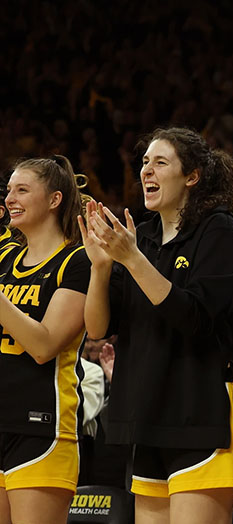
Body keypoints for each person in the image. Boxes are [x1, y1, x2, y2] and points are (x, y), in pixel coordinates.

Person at [80, 127, 233, 523]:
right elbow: (97, 329)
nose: (146, 171)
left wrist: (133, 259)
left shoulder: (218, 229)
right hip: (148, 415)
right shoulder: (140, 238)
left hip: (201, 417)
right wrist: (101, 268)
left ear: (191, 176)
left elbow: (195, 318)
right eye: (144, 163)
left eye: (160, 163)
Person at [0, 156, 90, 524]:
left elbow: (44, 345)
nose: (10, 199)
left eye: (22, 190)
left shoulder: (78, 261)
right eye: (8, 190)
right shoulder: (5, 256)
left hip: (41, 427)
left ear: (54, 199)